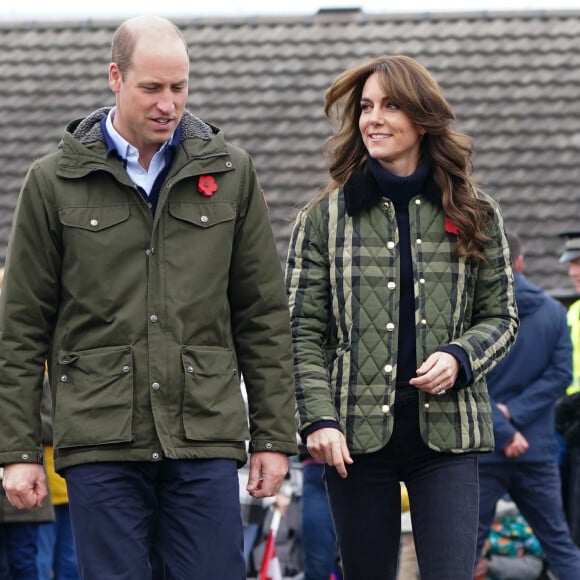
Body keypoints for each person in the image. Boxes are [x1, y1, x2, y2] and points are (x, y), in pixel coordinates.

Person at [0, 15, 297, 580]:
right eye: (152, 88)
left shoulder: (232, 175)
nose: (169, 103)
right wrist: (17, 451)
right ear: (116, 78)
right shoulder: (52, 182)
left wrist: (274, 436)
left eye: (179, 88)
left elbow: (261, 316)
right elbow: (20, 331)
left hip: (204, 433)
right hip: (99, 439)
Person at [285, 54, 518, 580]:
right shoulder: (322, 219)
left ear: (422, 117)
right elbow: (301, 333)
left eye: (390, 105)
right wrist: (318, 419)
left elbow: (502, 317)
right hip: (353, 441)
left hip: (449, 437)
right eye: (366, 107)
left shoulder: (476, 213)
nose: (373, 118)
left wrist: (461, 356)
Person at [475, 231, 580, 579]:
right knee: (560, 545)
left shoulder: (472, 314)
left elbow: (466, 382)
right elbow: (561, 375)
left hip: (484, 448)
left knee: (464, 548)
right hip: (537, 448)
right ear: (520, 262)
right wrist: (516, 416)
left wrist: (503, 426)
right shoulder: (553, 312)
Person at [555, 231, 580, 547]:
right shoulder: (573, 310)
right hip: (571, 422)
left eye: (579, 263)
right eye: (572, 264)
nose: (573, 271)